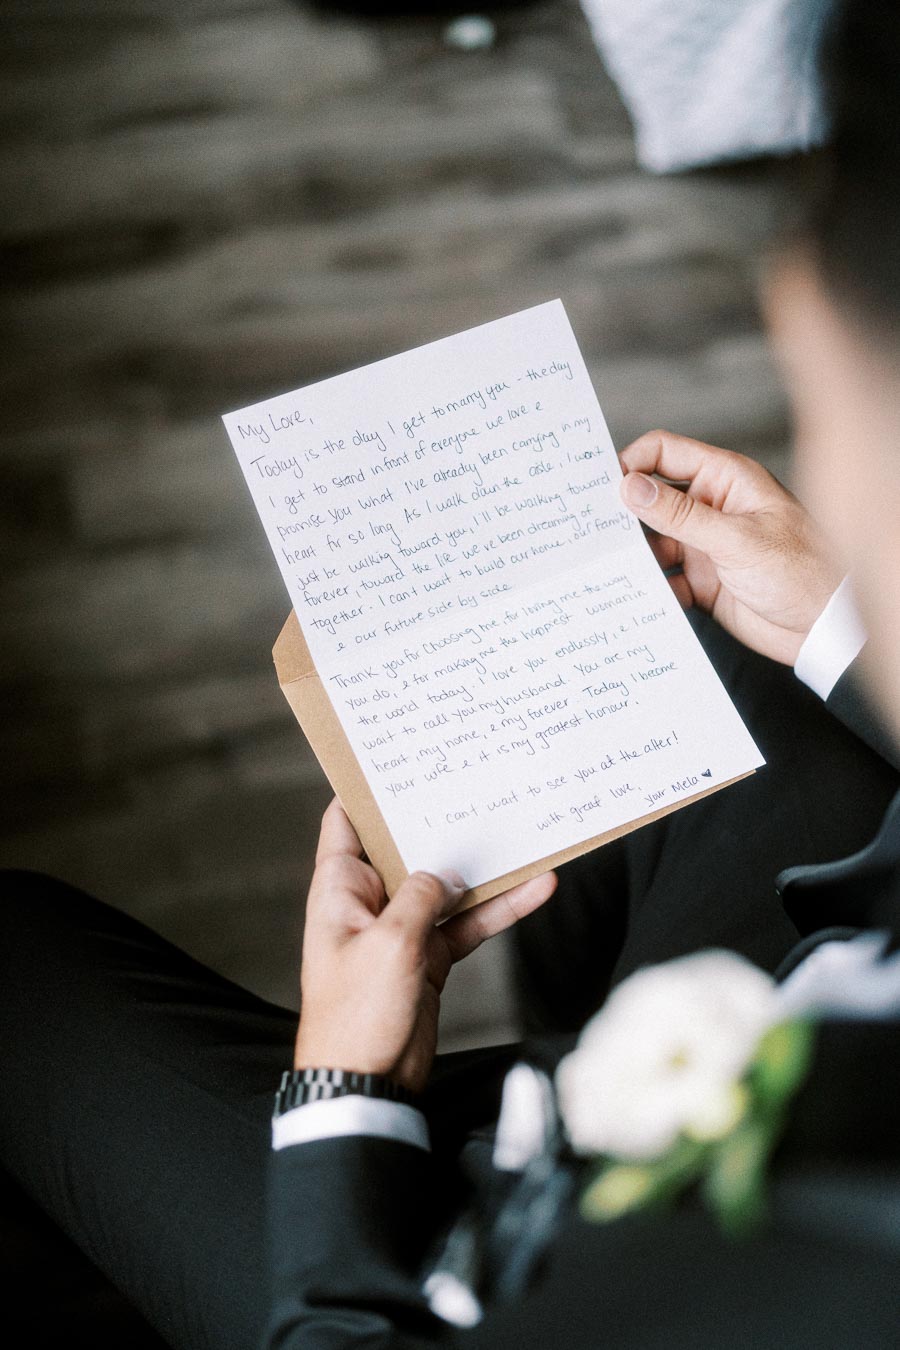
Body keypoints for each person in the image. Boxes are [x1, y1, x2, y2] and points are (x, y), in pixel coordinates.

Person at [2, 1, 900, 1345]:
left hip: (488, 1266)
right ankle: (575, 997)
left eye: (829, 409)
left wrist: (348, 1089)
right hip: (848, 938)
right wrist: (849, 625)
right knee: (691, 640)